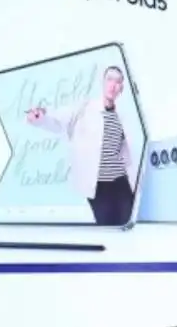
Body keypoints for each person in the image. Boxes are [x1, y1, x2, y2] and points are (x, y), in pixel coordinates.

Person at [25, 64, 136, 226]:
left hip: (121, 181)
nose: (113, 85)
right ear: (102, 82)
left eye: (118, 82)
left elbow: (127, 153)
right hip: (98, 185)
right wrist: (40, 119)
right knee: (108, 229)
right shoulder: (85, 108)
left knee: (130, 224)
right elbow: (58, 122)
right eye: (109, 79)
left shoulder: (122, 116)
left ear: (121, 88)